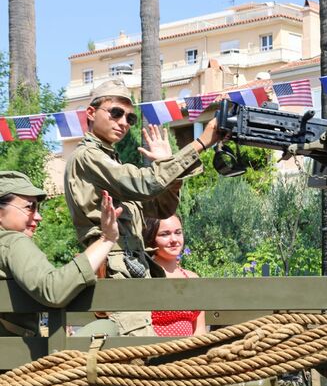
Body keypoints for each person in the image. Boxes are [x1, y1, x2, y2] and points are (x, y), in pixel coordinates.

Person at [63, 78, 221, 334]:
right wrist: (200, 144)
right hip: (115, 268)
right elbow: (144, 184)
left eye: (130, 118)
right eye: (115, 113)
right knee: (135, 356)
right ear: (91, 113)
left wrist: (169, 165)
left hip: (133, 268)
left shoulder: (109, 161)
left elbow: (161, 209)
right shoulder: (87, 157)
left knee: (144, 356)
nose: (124, 122)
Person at [0, 171, 121, 337]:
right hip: (19, 357)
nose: (38, 216)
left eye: (38, 208)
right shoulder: (12, 242)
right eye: (30, 207)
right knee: (107, 327)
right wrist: (107, 238)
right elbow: (54, 290)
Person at [143, 215, 206, 336]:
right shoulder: (145, 276)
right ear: (151, 238)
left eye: (178, 233)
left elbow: (200, 330)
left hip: (189, 352)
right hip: (152, 351)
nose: (174, 240)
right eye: (164, 234)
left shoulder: (193, 278)